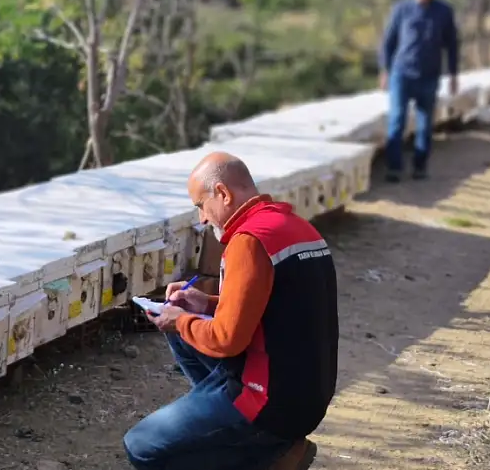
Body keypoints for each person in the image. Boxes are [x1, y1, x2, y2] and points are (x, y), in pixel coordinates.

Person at [123, 152, 338, 470]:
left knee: (141, 446)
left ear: (222, 193)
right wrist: (203, 303)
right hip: (307, 396)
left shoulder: (248, 242)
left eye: (200, 205)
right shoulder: (296, 227)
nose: (202, 219)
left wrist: (181, 320)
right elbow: (273, 310)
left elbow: (227, 341)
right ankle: (262, 440)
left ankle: (266, 451)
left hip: (269, 404)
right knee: (184, 333)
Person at [378, 0, 461, 182]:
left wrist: (453, 74)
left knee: (425, 124)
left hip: (429, 75)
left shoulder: (443, 11)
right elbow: (388, 42)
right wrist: (384, 70)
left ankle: (420, 166)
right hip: (402, 73)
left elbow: (452, 44)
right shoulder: (401, 9)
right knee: (397, 120)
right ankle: (394, 168)